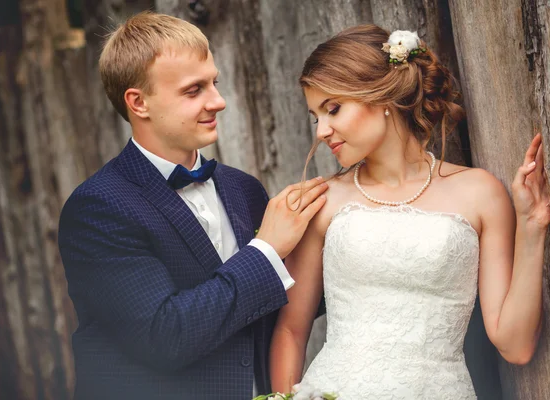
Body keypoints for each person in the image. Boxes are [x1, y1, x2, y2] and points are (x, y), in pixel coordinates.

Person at [57, 11, 328, 400]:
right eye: (193, 90)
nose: (218, 101)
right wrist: (267, 250)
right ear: (139, 102)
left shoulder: (243, 189)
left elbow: (275, 306)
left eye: (214, 83)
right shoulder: (98, 208)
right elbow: (164, 336)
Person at [270, 25, 547, 399]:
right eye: (315, 116)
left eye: (333, 109)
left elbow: (515, 346)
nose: (322, 130)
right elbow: (290, 330)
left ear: (381, 97)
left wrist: (532, 225)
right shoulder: (324, 201)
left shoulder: (480, 193)